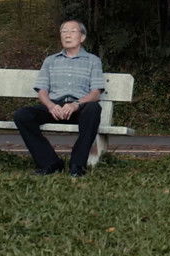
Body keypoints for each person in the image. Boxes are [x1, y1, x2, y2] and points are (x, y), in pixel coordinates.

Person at [13, 18, 106, 176]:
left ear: (82, 37)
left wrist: (76, 104)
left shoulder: (93, 61)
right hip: (55, 107)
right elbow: (42, 90)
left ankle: (77, 165)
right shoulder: (50, 61)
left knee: (93, 108)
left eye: (72, 31)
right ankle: (50, 163)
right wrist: (51, 106)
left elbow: (96, 93)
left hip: (79, 108)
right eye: (64, 31)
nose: (67, 35)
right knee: (22, 115)